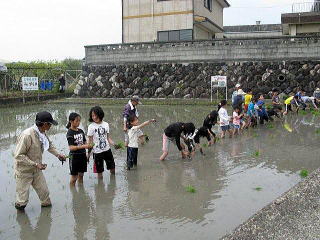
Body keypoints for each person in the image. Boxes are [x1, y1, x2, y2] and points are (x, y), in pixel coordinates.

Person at [14, 111, 66, 210]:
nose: (51, 126)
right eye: (50, 124)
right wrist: (35, 164)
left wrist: (58, 155)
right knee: (22, 201)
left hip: (36, 170)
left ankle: (46, 220)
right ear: (45, 124)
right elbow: (18, 156)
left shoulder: (42, 133)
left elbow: (49, 145)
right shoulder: (27, 135)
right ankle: (21, 220)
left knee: (45, 195)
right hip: (24, 171)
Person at [87, 106, 116, 178]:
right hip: (97, 152)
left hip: (107, 150)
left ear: (100, 114)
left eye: (95, 115)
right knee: (99, 171)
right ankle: (100, 187)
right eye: (92, 115)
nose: (94, 117)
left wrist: (114, 144)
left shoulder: (106, 124)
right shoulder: (91, 126)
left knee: (112, 167)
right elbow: (90, 142)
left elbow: (108, 138)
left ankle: (113, 183)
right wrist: (88, 154)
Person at [66, 112, 92, 186]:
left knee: (81, 176)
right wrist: (83, 146)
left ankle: (81, 192)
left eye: (79, 121)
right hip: (74, 157)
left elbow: (85, 142)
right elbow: (71, 147)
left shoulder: (81, 131)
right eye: (76, 121)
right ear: (71, 121)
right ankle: (74, 195)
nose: (78, 122)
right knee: (74, 178)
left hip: (82, 156)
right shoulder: (69, 133)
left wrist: (89, 146)